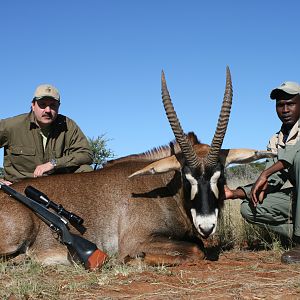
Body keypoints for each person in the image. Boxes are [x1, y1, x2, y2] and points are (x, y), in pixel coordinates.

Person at [224, 81, 300, 264]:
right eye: (280, 105)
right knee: (249, 208)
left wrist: (264, 173)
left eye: (291, 104)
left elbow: (292, 155)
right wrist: (234, 193)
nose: (285, 109)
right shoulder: (276, 140)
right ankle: (295, 235)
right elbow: (273, 179)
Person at [0, 84, 93, 185]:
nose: (48, 110)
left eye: (53, 105)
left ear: (59, 106)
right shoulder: (12, 126)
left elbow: (86, 154)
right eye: (42, 104)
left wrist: (54, 163)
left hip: (57, 184)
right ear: (33, 105)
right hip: (20, 186)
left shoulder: (68, 125)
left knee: (86, 170)